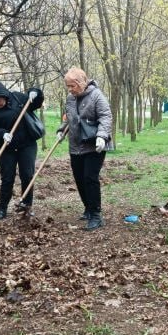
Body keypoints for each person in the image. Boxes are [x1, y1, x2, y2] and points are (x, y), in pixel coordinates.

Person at [55, 67, 112, 231]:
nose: (70, 90)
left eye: (72, 86)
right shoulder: (70, 99)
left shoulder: (96, 96)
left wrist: (102, 135)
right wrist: (61, 131)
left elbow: (106, 117)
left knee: (89, 178)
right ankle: (88, 207)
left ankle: (96, 215)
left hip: (95, 145)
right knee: (79, 178)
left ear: (81, 83)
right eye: (68, 86)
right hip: (75, 145)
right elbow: (69, 118)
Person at [0, 80, 45, 219]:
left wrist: (35, 92)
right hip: (6, 148)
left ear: (4, 95)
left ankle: (26, 206)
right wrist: (2, 134)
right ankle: (2, 209)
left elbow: (36, 103)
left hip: (26, 145)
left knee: (27, 175)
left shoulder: (18, 98)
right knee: (7, 177)